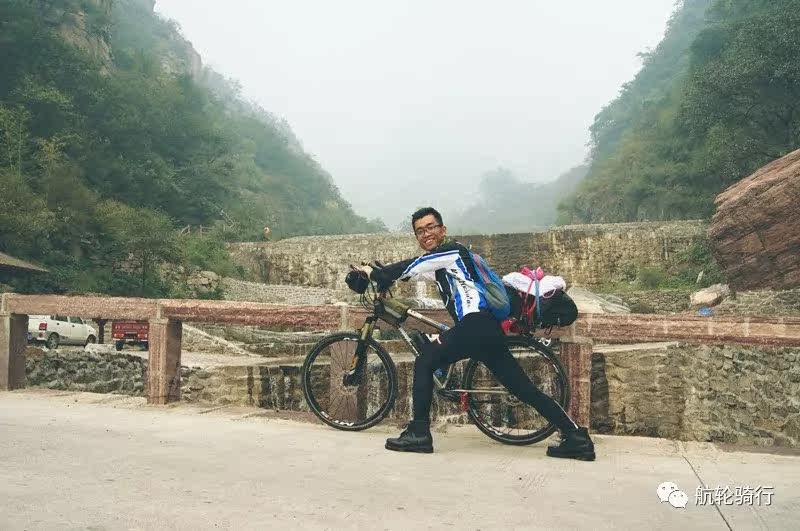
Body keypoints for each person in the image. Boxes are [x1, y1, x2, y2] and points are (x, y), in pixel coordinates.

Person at [358, 207, 595, 460]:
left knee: (425, 361)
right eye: (420, 231)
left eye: (430, 227)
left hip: (475, 325)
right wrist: (385, 276)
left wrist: (374, 274)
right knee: (523, 389)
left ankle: (418, 433)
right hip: (488, 330)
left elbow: (412, 265)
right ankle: (576, 437)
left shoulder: (451, 251)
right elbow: (413, 272)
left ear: (443, 230)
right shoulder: (444, 262)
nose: (426, 234)